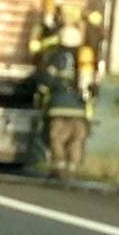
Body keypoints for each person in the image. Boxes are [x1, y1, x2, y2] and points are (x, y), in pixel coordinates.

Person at [37, 21, 90, 179]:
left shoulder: (54, 55)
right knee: (76, 139)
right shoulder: (84, 57)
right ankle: (72, 169)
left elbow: (46, 81)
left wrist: (41, 93)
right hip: (79, 107)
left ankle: (59, 167)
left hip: (58, 105)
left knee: (57, 138)